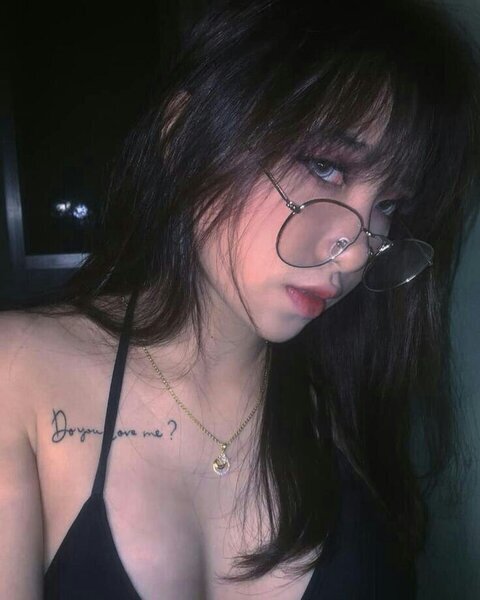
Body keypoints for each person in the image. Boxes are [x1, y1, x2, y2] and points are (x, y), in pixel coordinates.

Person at [1, 0, 480, 597]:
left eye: (389, 205)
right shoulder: (18, 372)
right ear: (185, 136)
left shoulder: (346, 404)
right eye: (325, 166)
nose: (357, 252)